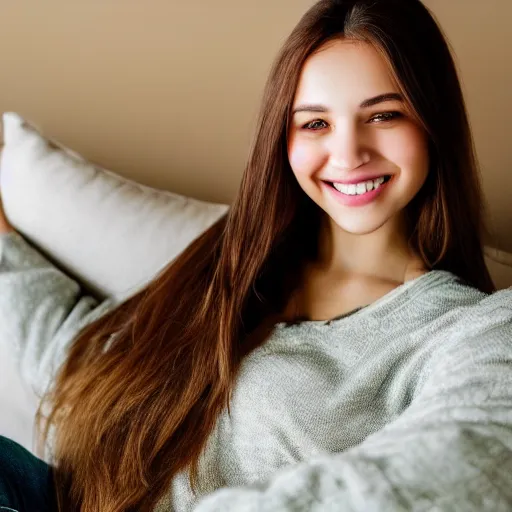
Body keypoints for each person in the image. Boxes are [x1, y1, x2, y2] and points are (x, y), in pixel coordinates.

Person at [1, 0, 511, 510]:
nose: (350, 154)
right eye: (315, 124)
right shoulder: (231, 264)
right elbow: (76, 360)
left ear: (432, 123)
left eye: (384, 114)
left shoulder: (467, 330)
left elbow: (467, 455)